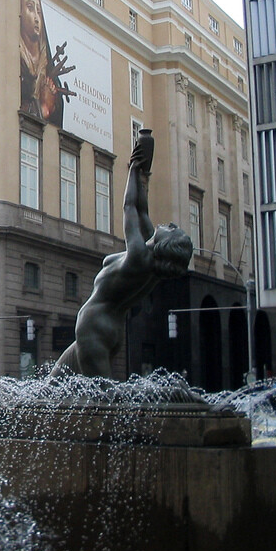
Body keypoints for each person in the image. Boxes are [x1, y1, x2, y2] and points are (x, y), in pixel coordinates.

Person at [51, 131, 194, 379]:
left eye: (172, 229)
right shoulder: (150, 262)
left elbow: (128, 207)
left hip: (93, 325)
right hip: (112, 329)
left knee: (106, 403)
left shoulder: (139, 254)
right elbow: (141, 207)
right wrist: (140, 173)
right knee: (55, 384)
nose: (169, 223)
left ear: (165, 242)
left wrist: (131, 170)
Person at [19, 0, 73, 125]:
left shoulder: (50, 72)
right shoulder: (13, 60)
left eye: (39, 11)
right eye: (30, 8)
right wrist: (43, 109)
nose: (36, 18)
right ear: (19, 12)